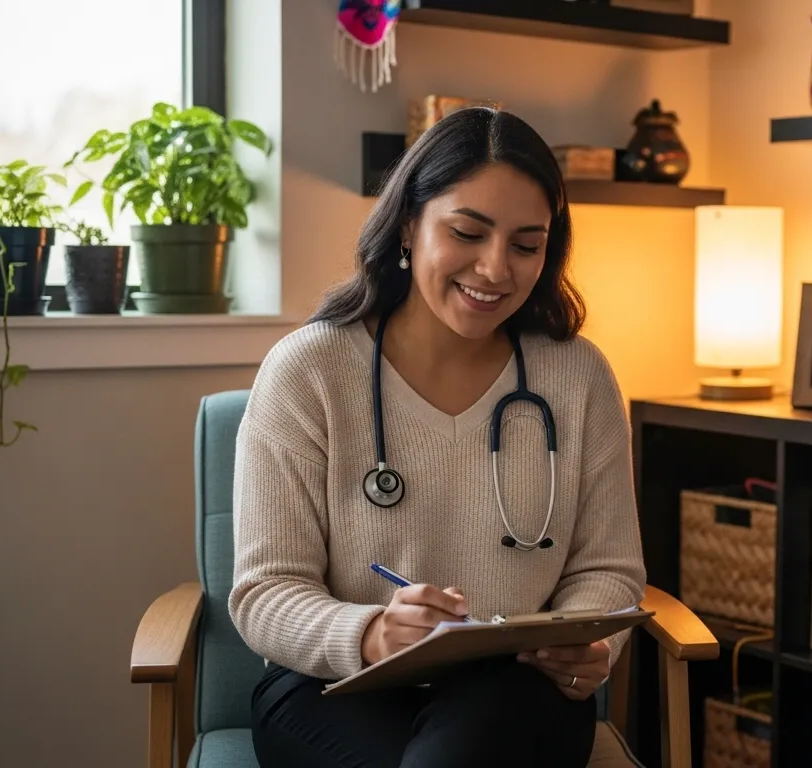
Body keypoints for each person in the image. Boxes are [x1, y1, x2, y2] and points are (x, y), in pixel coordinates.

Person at [229, 107, 647, 768]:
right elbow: (265, 594)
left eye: (526, 244)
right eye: (467, 232)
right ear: (406, 225)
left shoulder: (577, 377)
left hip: (514, 688)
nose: (495, 269)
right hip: (332, 687)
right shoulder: (307, 371)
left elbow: (608, 569)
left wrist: (589, 647)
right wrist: (371, 633)